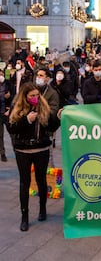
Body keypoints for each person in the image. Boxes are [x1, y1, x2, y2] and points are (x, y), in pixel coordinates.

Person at [5, 82, 60, 231]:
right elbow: (11, 128)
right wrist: (26, 120)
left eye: (37, 95)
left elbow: (51, 126)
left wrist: (58, 119)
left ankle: (42, 209)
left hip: (41, 149)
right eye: (32, 96)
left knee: (41, 180)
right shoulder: (17, 107)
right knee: (25, 182)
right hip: (23, 151)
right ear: (25, 96)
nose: (35, 98)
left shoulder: (43, 107)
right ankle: (25, 216)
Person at [0, 69, 12, 161]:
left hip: (7, 112)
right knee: (0, 135)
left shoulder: (8, 84)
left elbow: (14, 97)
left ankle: (16, 150)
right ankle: (2, 153)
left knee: (13, 133)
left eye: (2, 74)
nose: (1, 76)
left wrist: (9, 96)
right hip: (0, 113)